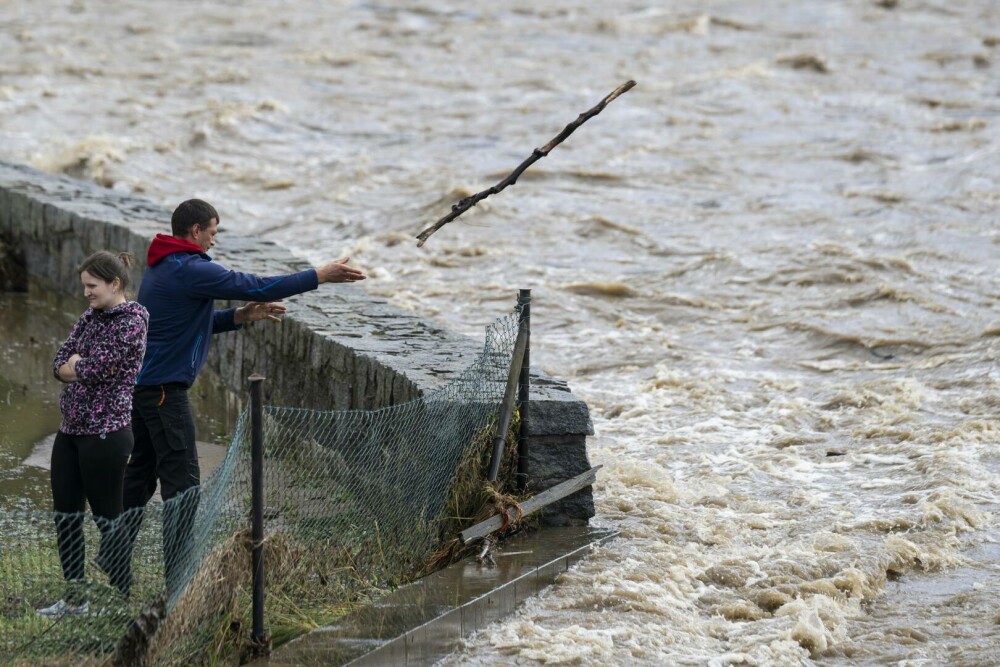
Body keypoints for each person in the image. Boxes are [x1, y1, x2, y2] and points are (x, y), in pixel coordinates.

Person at [120, 199, 365, 596]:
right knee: (182, 485)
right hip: (165, 393)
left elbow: (186, 324)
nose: (214, 241)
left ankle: (114, 561)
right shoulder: (191, 268)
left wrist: (238, 317)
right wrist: (320, 275)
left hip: (148, 389)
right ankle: (178, 584)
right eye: (213, 233)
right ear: (195, 231)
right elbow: (256, 285)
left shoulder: (166, 264)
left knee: (139, 479)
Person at [38, 251, 149, 617]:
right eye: (84, 286)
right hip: (69, 431)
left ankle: (120, 600)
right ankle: (75, 600)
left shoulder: (132, 322)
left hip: (106, 433)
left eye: (92, 285)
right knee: (65, 516)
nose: (86, 292)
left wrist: (78, 366)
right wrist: (75, 366)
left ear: (114, 284)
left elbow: (96, 368)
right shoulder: (89, 318)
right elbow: (59, 363)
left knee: (107, 519)